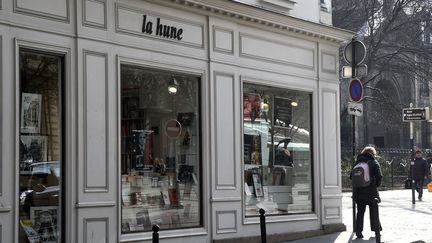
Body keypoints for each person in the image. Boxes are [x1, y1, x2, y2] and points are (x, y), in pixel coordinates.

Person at [351, 146, 383, 239]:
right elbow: (379, 176)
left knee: (360, 212)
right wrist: (375, 185)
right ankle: (376, 230)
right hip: (371, 192)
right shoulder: (373, 162)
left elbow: (351, 176)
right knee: (374, 211)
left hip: (358, 192)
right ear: (373, 153)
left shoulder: (357, 162)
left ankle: (358, 231)